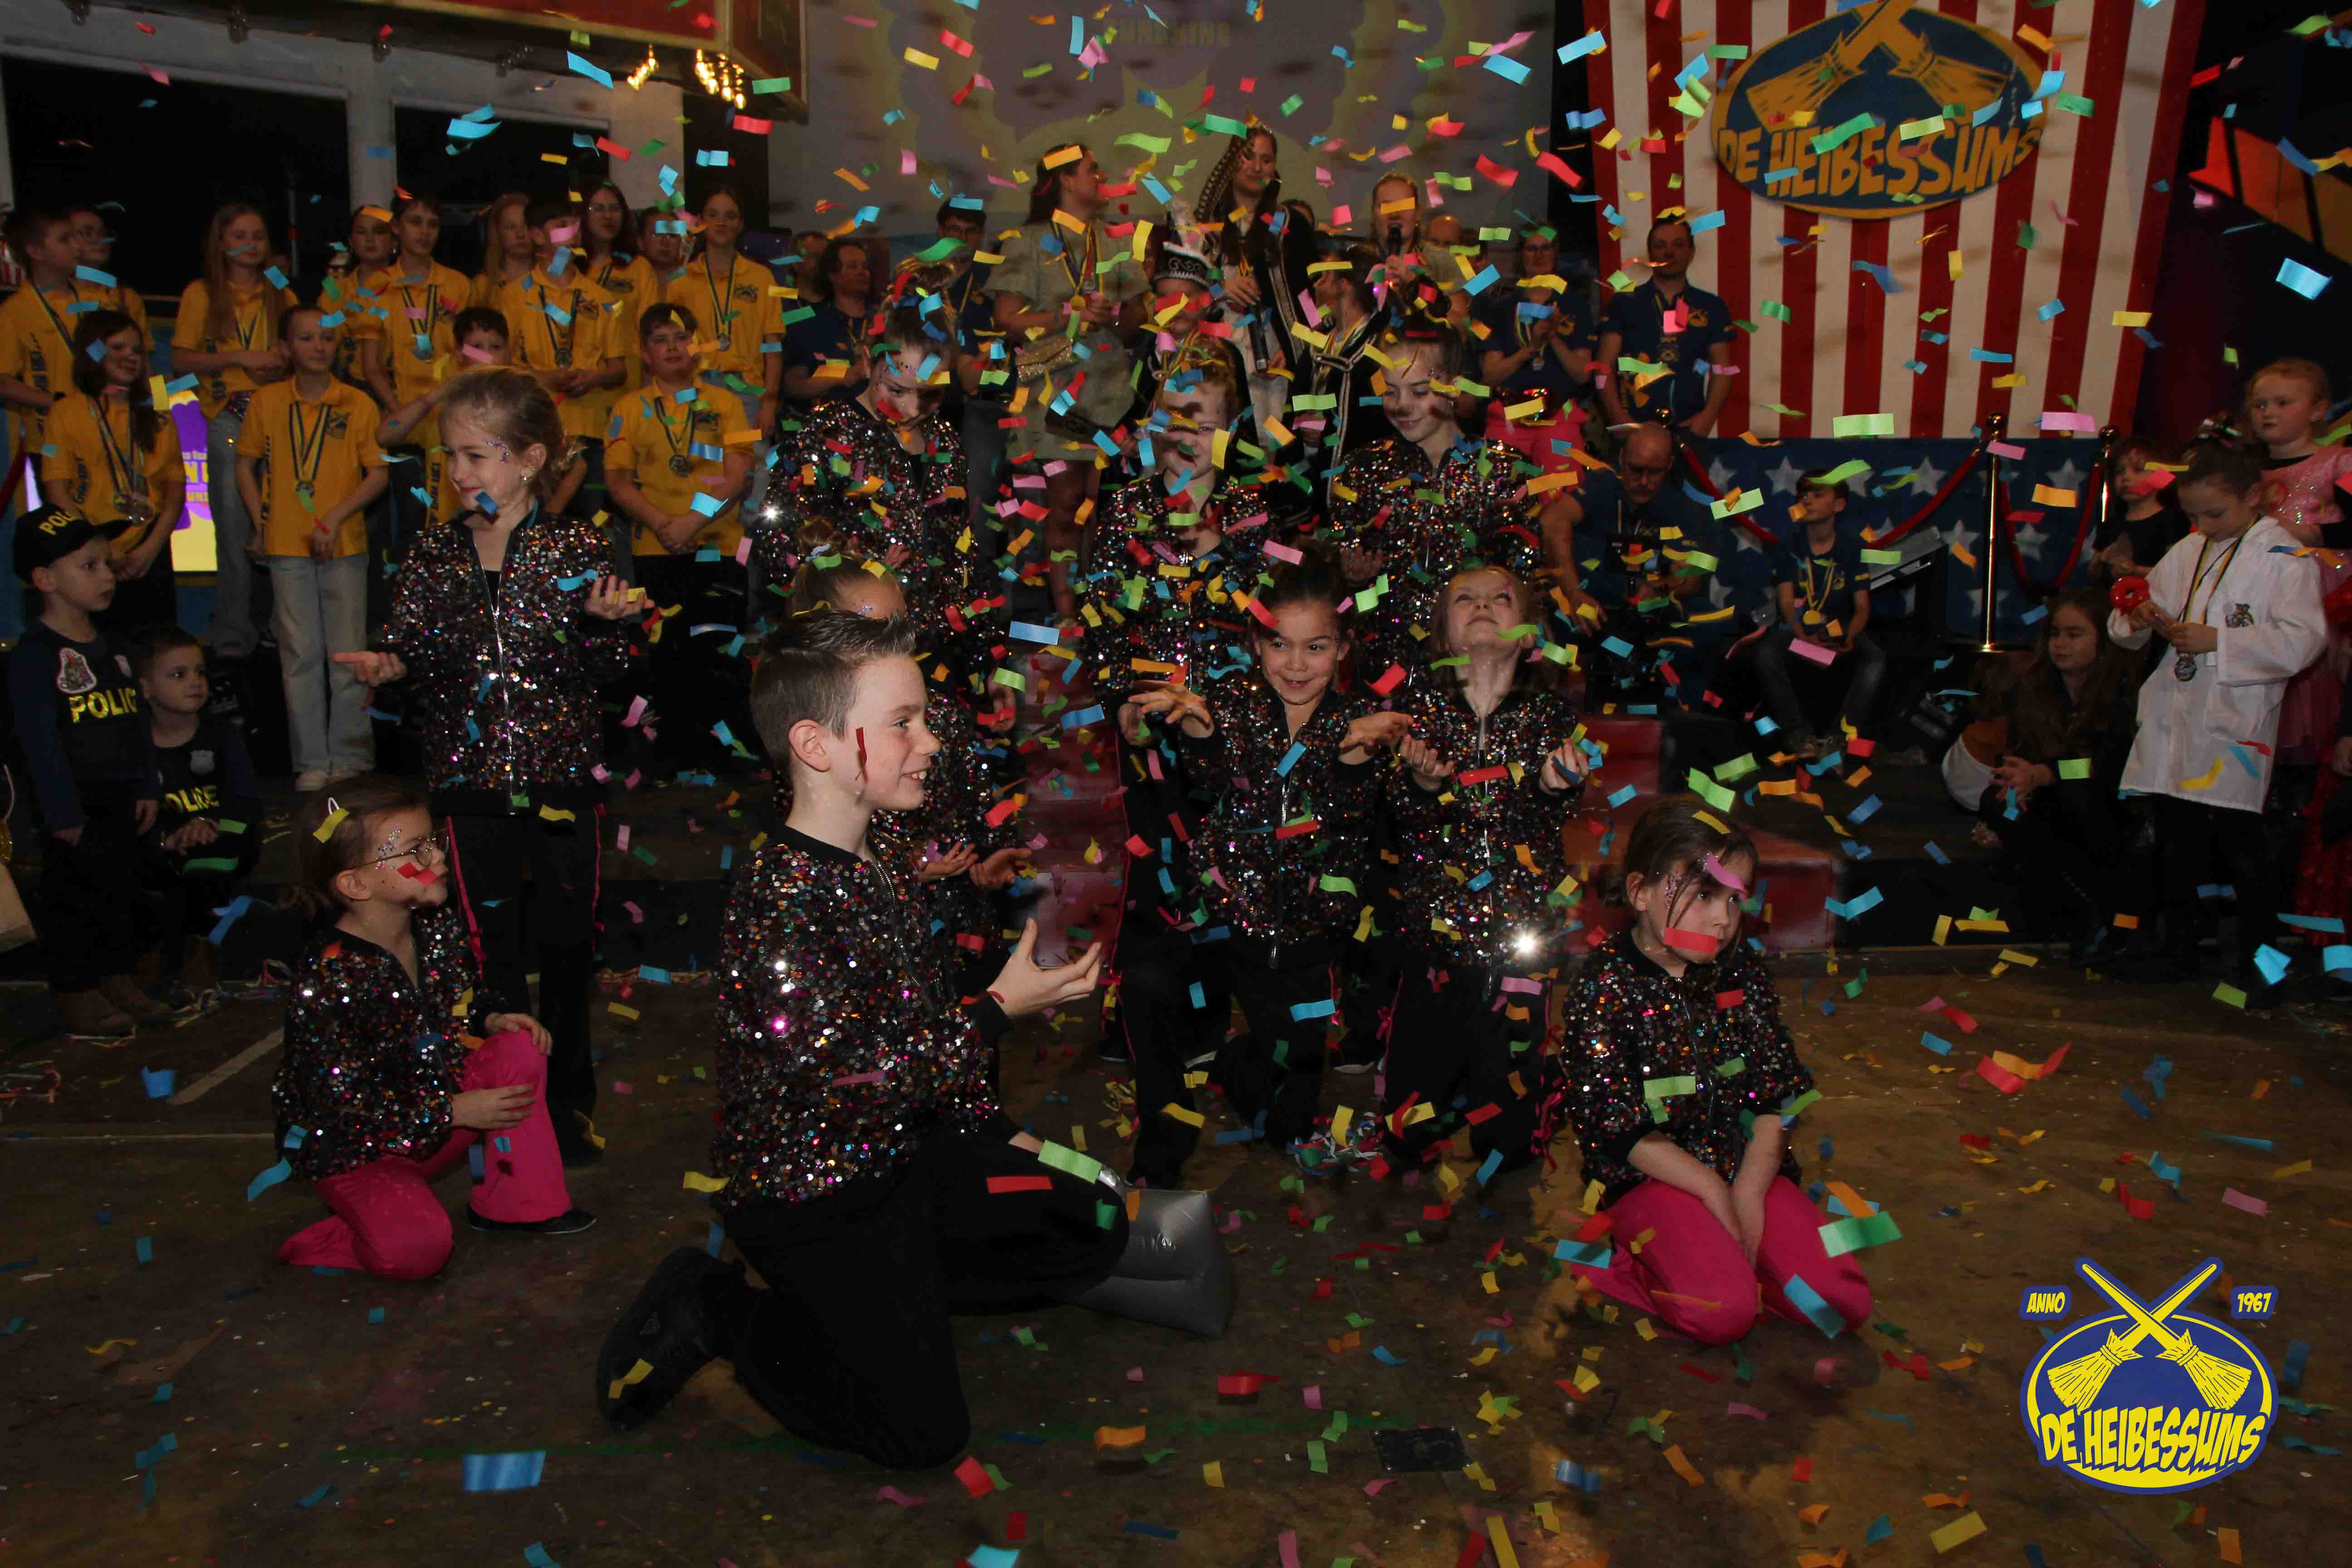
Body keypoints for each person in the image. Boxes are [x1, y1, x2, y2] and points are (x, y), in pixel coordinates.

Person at [593, 611, 1122, 1470]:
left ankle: (887, 1306)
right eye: (903, 722)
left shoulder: (879, 860)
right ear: (817, 745)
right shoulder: (783, 901)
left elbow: (921, 1036)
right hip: (816, 1192)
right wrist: (997, 1008)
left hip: (905, 1153)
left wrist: (1009, 1136)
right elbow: (856, 1081)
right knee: (922, 1435)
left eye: (925, 718)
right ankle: (718, 1306)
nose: (931, 742)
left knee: (1093, 1210)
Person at [340, 369, 637, 1164]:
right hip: (467, 786)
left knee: (568, 952)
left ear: (530, 458)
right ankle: (508, 1108)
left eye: (476, 455)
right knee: (487, 955)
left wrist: (605, 627)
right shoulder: (433, 552)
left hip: (562, 780)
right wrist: (390, 667)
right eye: (449, 456)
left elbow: (609, 673)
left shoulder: (576, 546)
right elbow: (412, 653)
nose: (458, 471)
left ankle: (566, 1106)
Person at [1116, 544, 1407, 1185]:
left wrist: (1355, 763)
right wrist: (1199, 734)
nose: (1296, 665)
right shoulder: (1228, 702)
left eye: (1316, 647)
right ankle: (1162, 1147)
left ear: (1343, 648)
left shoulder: (1362, 722)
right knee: (1145, 983)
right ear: (1256, 643)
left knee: (1287, 1124)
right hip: (1218, 918)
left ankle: (1234, 1066)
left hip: (1303, 936)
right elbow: (1210, 782)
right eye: (1280, 645)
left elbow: (1348, 821)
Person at [1543, 796, 1871, 1346]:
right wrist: (1715, 1193)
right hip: (1653, 1177)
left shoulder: (1741, 972)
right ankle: (1631, 1266)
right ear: (1642, 892)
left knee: (1842, 1305)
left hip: (1746, 1166)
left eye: (1733, 899)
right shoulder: (1603, 988)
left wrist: (1750, 1191)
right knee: (1722, 1314)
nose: (1722, 919)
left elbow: (1775, 1094)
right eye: (1703, 896)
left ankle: (1733, 1264)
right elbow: (1616, 1126)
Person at [270, 778, 592, 1280]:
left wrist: (489, 1019)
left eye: (434, 841)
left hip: (437, 1115)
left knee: (519, 1046)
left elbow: (458, 997)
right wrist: (450, 1111)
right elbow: (339, 1104)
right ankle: (345, 1233)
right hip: (363, 1151)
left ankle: (518, 1204)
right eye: (416, 850)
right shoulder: (330, 975)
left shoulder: (432, 924)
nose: (438, 858)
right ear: (355, 885)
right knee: (418, 1252)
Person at [1371, 560, 1588, 1176]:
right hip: (1434, 934)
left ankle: (1515, 1119)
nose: (1485, 605)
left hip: (1521, 938)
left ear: (1528, 634)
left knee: (1509, 1120)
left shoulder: (1550, 716)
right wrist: (1420, 784)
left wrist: (1552, 787)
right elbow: (1398, 816)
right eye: (1466, 598)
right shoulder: (1415, 714)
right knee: (1412, 1116)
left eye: (1501, 598)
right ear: (1442, 632)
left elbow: (1554, 808)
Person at [2110, 443, 2326, 1004]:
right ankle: (2178, 948)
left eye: (2215, 514)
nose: (2204, 525)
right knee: (2176, 839)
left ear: (2254, 496)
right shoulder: (2188, 550)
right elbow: (2131, 619)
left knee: (2242, 846)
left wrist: (2220, 641)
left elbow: (2304, 640)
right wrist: (2139, 617)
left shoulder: (2285, 557)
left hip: (2236, 719)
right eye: (2194, 515)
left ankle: (2262, 963)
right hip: (2177, 710)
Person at [786, 544, 1023, 1006]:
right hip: (884, 926)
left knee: (970, 1021)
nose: (892, 647)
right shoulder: (822, 739)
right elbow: (822, 839)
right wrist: (905, 870)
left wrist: (989, 855)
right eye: (870, 633)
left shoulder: (938, 713)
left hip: (960, 918)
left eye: (900, 627)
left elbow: (972, 794)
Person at [6, 504, 163, 1039]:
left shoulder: (115, 646)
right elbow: (39, 741)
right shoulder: (35, 656)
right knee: (74, 899)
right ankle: (78, 991)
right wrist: (61, 809)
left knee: (120, 892)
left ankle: (117, 977)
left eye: (106, 563)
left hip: (123, 795)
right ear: (45, 580)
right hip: (74, 803)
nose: (106, 576)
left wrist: (147, 783)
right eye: (89, 567)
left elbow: (137, 721)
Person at [1325, 328, 1544, 686]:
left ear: (1454, 386)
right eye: (1390, 391)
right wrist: (1353, 576)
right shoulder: (1362, 469)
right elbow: (1340, 581)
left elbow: (1526, 579)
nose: (1401, 405)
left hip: (1476, 675)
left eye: (1419, 392)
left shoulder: (1504, 470)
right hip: (1384, 669)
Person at [992, 142, 1150, 619]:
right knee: (1064, 505)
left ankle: (1090, 609)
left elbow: (1137, 319)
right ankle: (1064, 616)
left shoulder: (1116, 241)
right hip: (1052, 393)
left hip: (1109, 392)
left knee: (1092, 504)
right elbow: (1006, 319)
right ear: (1064, 179)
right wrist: (1064, 316)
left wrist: (1120, 312)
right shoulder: (1025, 241)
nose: (1101, 176)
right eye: (1092, 169)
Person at [1945, 586, 2144, 964]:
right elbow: (2021, 750)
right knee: (1999, 802)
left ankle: (2108, 917)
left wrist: (2045, 774)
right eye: (2056, 633)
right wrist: (2017, 780)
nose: (2060, 644)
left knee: (2077, 798)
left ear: (2103, 642)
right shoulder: (2036, 687)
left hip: (2110, 802)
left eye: (2075, 634)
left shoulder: (2122, 693)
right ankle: (2077, 911)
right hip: (2052, 796)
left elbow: (2104, 765)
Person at [235, 305, 388, 791]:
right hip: (285, 542)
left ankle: (350, 756)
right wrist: (261, 522)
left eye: (326, 338)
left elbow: (378, 474)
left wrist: (336, 517)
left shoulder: (357, 403)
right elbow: (245, 464)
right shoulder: (267, 401)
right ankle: (312, 761)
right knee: (299, 656)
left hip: (343, 542)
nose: (318, 347)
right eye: (306, 338)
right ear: (285, 348)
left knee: (348, 654)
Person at [761, 304, 971, 652]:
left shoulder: (945, 441)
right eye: (897, 390)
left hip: (932, 640)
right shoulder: (829, 432)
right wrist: (853, 570)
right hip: (854, 640)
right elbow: (781, 537)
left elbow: (960, 544)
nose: (912, 410)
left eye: (930, 394)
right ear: (867, 361)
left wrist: (975, 643)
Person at [604, 302, 754, 769]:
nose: (672, 348)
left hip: (719, 545)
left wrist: (691, 522)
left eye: (681, 338)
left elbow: (740, 475)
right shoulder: (626, 408)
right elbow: (617, 482)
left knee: (721, 653)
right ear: (645, 353)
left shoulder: (729, 404)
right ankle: (671, 759)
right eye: (660, 340)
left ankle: (725, 757)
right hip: (655, 548)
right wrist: (663, 524)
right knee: (666, 656)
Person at [171, 203, 297, 664]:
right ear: (221, 243)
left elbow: (302, 344)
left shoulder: (279, 289)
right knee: (234, 531)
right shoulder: (202, 293)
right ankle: (231, 636)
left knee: (283, 528)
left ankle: (281, 630)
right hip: (229, 417)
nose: (250, 244)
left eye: (258, 236)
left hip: (279, 415)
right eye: (239, 236)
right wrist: (241, 358)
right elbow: (181, 362)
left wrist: (280, 364)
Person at [132, 625, 259, 1000]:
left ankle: (199, 951)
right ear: (145, 688)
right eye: (178, 675)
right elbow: (133, 808)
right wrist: (168, 838)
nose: (195, 682)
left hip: (222, 837)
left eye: (200, 672)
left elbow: (245, 801)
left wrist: (210, 824)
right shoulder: (134, 745)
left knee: (209, 862)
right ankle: (148, 957)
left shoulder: (222, 735)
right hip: (168, 842)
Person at [378, 307, 586, 529]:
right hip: (449, 530)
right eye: (476, 348)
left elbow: (577, 464)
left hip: (514, 529)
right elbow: (385, 435)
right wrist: (435, 397)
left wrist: (547, 517)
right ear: (459, 354)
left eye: (496, 347)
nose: (487, 356)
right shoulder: (442, 411)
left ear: (508, 353)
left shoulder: (524, 408)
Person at [43, 310, 182, 633]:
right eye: (118, 348)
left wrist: (150, 549)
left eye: (137, 350)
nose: (131, 357)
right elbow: (56, 490)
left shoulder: (158, 413)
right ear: (93, 352)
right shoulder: (64, 412)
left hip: (149, 545)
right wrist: (103, 551)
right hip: (89, 545)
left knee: (154, 645)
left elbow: (175, 489)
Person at [2244, 359, 2352, 769]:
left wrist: (2310, 534)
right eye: (2260, 405)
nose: (2268, 413)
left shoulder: (2341, 462)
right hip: (2260, 594)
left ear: (2318, 410)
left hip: (2322, 594)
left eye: (2282, 403)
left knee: (2314, 694)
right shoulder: (2244, 472)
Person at [356, 193, 471, 556]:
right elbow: (371, 366)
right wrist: (399, 412)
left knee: (453, 519)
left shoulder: (457, 284)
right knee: (409, 522)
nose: (424, 232)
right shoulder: (377, 285)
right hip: (401, 418)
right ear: (397, 228)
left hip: (450, 418)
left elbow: (470, 354)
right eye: (415, 222)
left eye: (432, 224)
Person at [499, 204, 625, 535]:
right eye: (561, 224)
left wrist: (595, 378)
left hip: (591, 432)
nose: (572, 232)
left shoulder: (603, 297)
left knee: (592, 534)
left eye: (575, 225)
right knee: (533, 530)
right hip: (535, 432)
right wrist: (545, 378)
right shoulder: (514, 295)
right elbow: (500, 368)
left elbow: (619, 369)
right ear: (537, 235)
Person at [1750, 473, 1883, 758]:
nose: (1807, 500)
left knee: (1875, 659)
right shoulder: (1789, 546)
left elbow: (1862, 607)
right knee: (1766, 652)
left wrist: (1850, 635)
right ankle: (1799, 735)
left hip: (1838, 628)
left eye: (1818, 495)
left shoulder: (1852, 548)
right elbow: (1786, 603)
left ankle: (1838, 739)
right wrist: (1802, 637)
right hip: (1796, 628)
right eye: (1803, 495)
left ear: (1839, 505)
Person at [1186, 127, 1309, 433]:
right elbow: (1184, 293)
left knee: (1274, 440)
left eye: (1266, 160)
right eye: (1248, 157)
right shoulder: (1204, 225)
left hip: (1276, 350)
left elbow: (1311, 297)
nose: (1257, 168)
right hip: (1221, 351)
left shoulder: (1290, 224)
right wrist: (1221, 290)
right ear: (1231, 163)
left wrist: (1295, 344)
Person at [1, 211, 142, 478]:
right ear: (36, 251)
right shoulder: (14, 311)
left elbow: (130, 362)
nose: (77, 246)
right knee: (61, 501)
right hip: (50, 441)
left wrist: (156, 404)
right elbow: (4, 382)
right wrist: (57, 402)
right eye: (66, 239)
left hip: (106, 431)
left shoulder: (100, 301)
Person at [666, 186, 781, 499]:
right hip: (697, 388)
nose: (722, 222)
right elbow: (668, 347)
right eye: (713, 215)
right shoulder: (681, 280)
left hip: (747, 391)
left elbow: (773, 346)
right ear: (701, 222)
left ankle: (750, 532)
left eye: (730, 216)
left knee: (754, 479)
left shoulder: (762, 278)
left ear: (741, 224)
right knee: (702, 474)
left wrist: (770, 402)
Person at [1595, 218, 1734, 436]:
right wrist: (1618, 418)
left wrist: (1708, 417)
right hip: (1635, 428)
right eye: (1660, 246)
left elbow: (1722, 369)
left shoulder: (1711, 306)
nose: (1669, 253)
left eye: (1678, 245)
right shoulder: (1624, 303)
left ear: (1691, 252)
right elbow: (1604, 366)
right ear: (1650, 254)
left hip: (1690, 427)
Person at [1477, 227, 1592, 475]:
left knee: (1560, 494)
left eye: (1545, 248)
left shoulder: (1575, 305)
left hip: (1559, 415)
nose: (1539, 255)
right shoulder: (1503, 308)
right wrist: (1530, 349)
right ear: (1521, 255)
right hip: (1511, 416)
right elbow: (1490, 375)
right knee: (1501, 491)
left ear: (1555, 253)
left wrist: (1553, 338)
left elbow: (1583, 374)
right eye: (1532, 249)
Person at [932, 199, 1008, 555]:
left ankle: (984, 574)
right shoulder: (921, 280)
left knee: (982, 500)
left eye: (970, 232)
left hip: (983, 404)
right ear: (940, 231)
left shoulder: (994, 280)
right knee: (939, 498)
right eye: (953, 230)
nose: (961, 239)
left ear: (981, 236)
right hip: (929, 403)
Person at [1297, 243, 1393, 498]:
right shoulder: (1319, 341)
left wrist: (1328, 430)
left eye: (1326, 274)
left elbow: (1375, 420)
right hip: (1311, 476)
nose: (1318, 282)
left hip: (1353, 486)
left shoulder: (1376, 349)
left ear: (1343, 285)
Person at [575, 182, 660, 403]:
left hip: (626, 384)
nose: (608, 216)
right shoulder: (569, 266)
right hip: (575, 382)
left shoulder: (639, 268)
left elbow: (650, 331)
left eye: (615, 209)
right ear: (582, 214)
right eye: (598, 209)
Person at [780, 236, 875, 409]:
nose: (863, 273)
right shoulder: (809, 324)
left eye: (866, 267)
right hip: (830, 419)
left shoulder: (885, 321)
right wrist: (842, 377)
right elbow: (792, 386)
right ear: (833, 275)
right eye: (852, 267)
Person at [2090, 435, 2188, 586]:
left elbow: (2177, 575)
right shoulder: (2110, 525)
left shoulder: (2173, 520)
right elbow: (2093, 576)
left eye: (2138, 470)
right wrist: (2101, 559)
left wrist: (2136, 571)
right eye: (2119, 472)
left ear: (2161, 476)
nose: (2126, 478)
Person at [318, 204, 396, 392]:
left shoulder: (407, 288)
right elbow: (322, 343)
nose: (370, 239)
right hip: (347, 388)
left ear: (395, 242)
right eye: (361, 232)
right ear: (351, 242)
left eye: (379, 232)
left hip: (400, 387)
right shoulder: (335, 289)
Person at [61, 203, 151, 348]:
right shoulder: (55, 295)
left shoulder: (127, 298)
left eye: (103, 233)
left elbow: (142, 356)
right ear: (66, 240)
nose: (100, 240)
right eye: (88, 233)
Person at [469, 193, 536, 309]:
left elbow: (565, 319)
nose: (520, 234)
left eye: (526, 225)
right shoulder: (482, 286)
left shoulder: (551, 280)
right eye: (511, 227)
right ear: (497, 233)